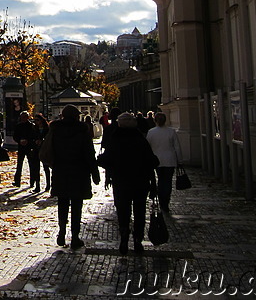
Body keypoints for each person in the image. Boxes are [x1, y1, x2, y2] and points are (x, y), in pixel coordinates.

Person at [97, 112, 159, 255]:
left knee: (123, 210)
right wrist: (152, 182)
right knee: (139, 211)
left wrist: (109, 170)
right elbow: (153, 161)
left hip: (121, 181)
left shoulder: (116, 139)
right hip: (140, 181)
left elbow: (105, 160)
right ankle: (138, 239)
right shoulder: (140, 140)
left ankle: (124, 236)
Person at [48, 104, 100, 249]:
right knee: (77, 205)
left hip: (61, 172)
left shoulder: (55, 130)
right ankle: (75, 236)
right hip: (79, 172)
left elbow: (49, 150)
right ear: (76, 116)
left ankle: (62, 231)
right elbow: (90, 153)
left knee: (62, 203)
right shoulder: (82, 131)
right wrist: (95, 173)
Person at [146, 112, 182, 213]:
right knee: (168, 181)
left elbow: (147, 147)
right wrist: (180, 160)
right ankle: (165, 201)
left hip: (157, 160)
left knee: (161, 180)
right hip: (170, 160)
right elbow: (177, 147)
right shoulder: (171, 132)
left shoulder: (151, 132)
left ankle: (162, 199)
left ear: (155, 120)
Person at [13, 111, 39, 188]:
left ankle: (32, 182)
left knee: (31, 165)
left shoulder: (32, 126)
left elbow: (34, 136)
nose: (23, 118)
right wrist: (19, 141)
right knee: (19, 165)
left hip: (29, 147)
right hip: (21, 147)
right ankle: (17, 181)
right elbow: (15, 136)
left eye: (25, 117)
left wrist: (28, 141)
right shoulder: (19, 126)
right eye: (22, 117)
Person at [34, 113, 51, 191]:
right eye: (35, 120)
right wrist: (35, 141)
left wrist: (42, 141)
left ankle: (48, 185)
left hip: (45, 150)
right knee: (36, 168)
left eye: (37, 120)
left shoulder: (47, 128)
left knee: (46, 168)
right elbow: (32, 136)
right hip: (36, 149)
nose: (36, 122)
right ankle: (37, 186)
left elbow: (48, 138)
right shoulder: (34, 128)